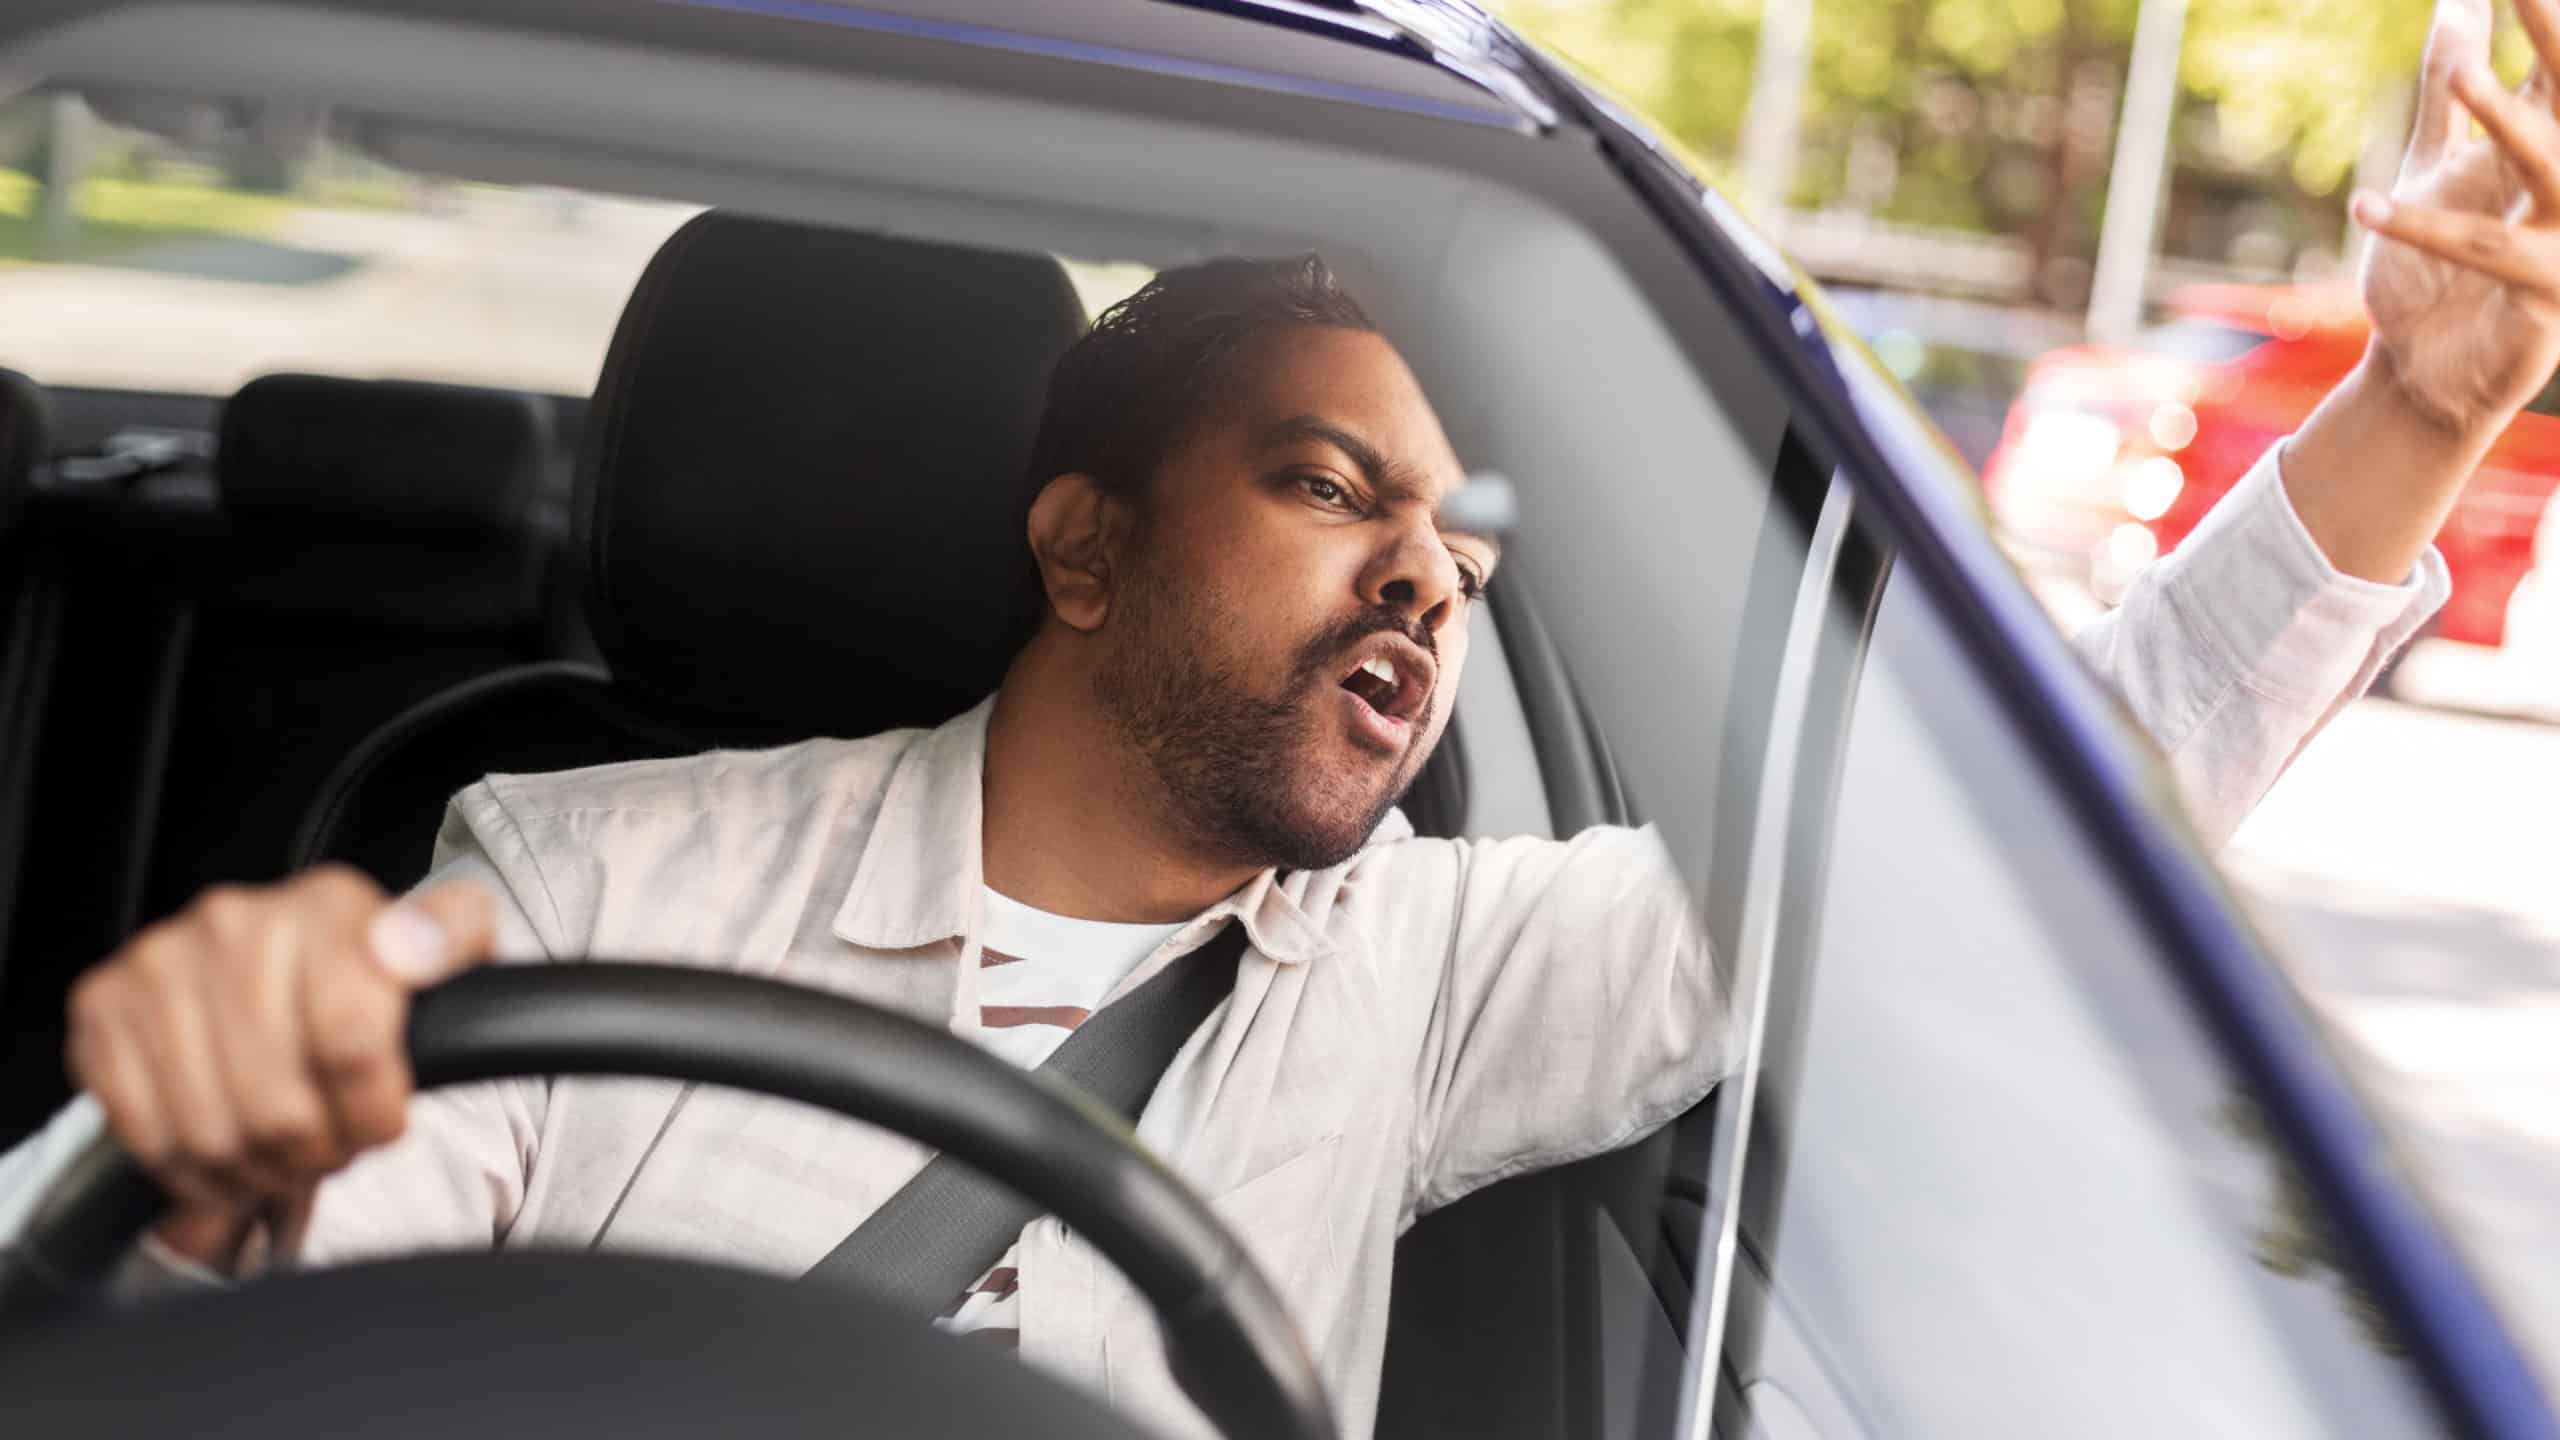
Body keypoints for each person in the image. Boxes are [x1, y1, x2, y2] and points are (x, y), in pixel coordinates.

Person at [3, 1, 2556, 1432]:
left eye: (1451, 533)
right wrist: (219, 1156)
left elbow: (1998, 845)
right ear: (1081, 545)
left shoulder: (1440, 972)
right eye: (1331, 485)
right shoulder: (583, 880)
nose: (1419, 572)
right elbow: (193, 1316)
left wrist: (2413, 409)